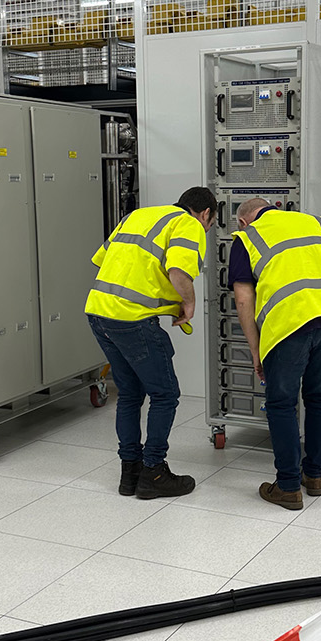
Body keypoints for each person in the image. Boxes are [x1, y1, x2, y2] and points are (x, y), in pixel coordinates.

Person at [230, 196, 321, 510]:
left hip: (289, 324)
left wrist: (256, 351)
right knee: (320, 398)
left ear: (243, 221)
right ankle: (314, 476)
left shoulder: (247, 237)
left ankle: (288, 487)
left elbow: (243, 297)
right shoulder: (317, 223)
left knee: (281, 403)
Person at [86, 186, 216, 499]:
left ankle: (129, 472)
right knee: (165, 394)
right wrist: (188, 303)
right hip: (133, 320)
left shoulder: (137, 216)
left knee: (130, 394)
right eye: (210, 225)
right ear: (205, 214)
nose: (207, 230)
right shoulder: (188, 224)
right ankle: (154, 472)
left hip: (99, 313)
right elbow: (179, 272)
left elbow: (102, 261)